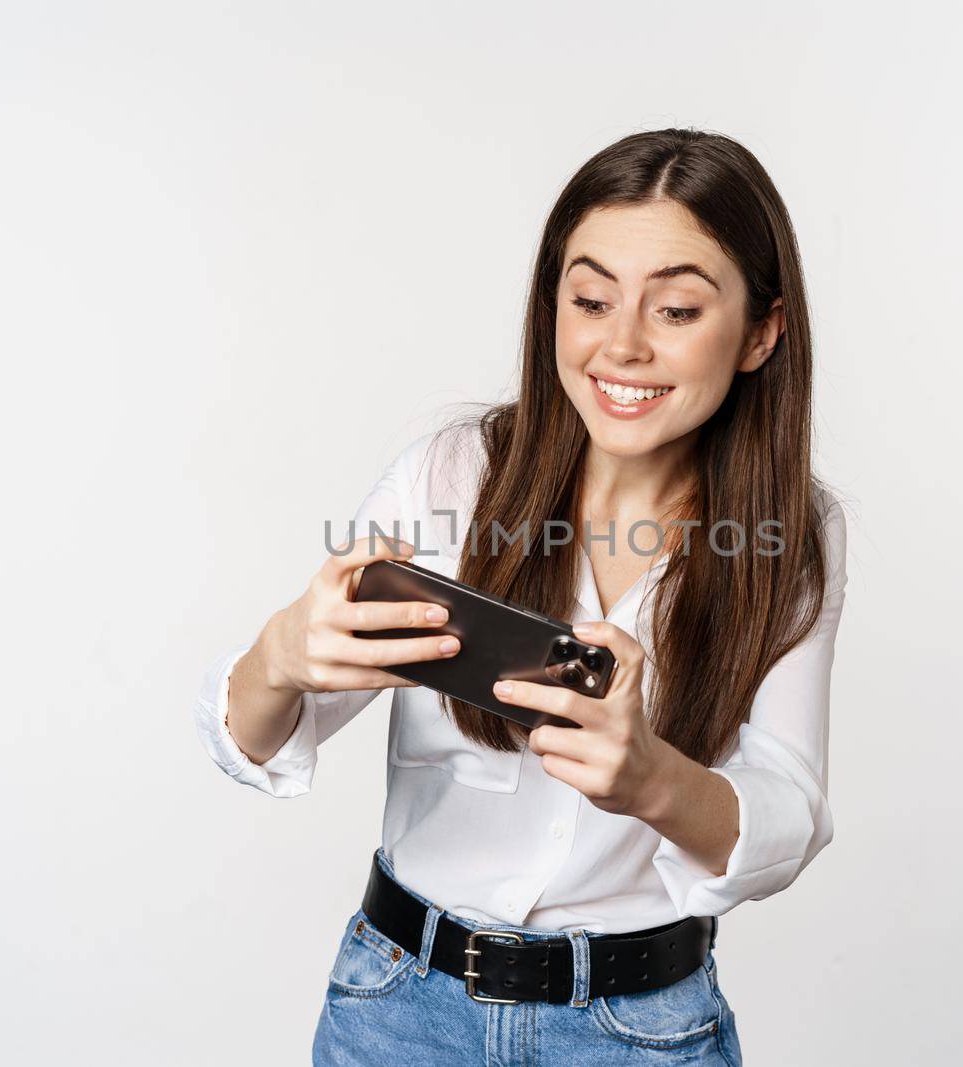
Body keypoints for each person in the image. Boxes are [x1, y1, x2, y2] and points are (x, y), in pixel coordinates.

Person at [193, 127, 849, 1065]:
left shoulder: (792, 539)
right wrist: (281, 657)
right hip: (398, 1013)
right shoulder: (453, 476)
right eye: (589, 299)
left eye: (675, 310)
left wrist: (652, 780)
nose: (620, 346)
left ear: (760, 332)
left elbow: (790, 805)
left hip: (639, 1030)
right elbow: (251, 739)